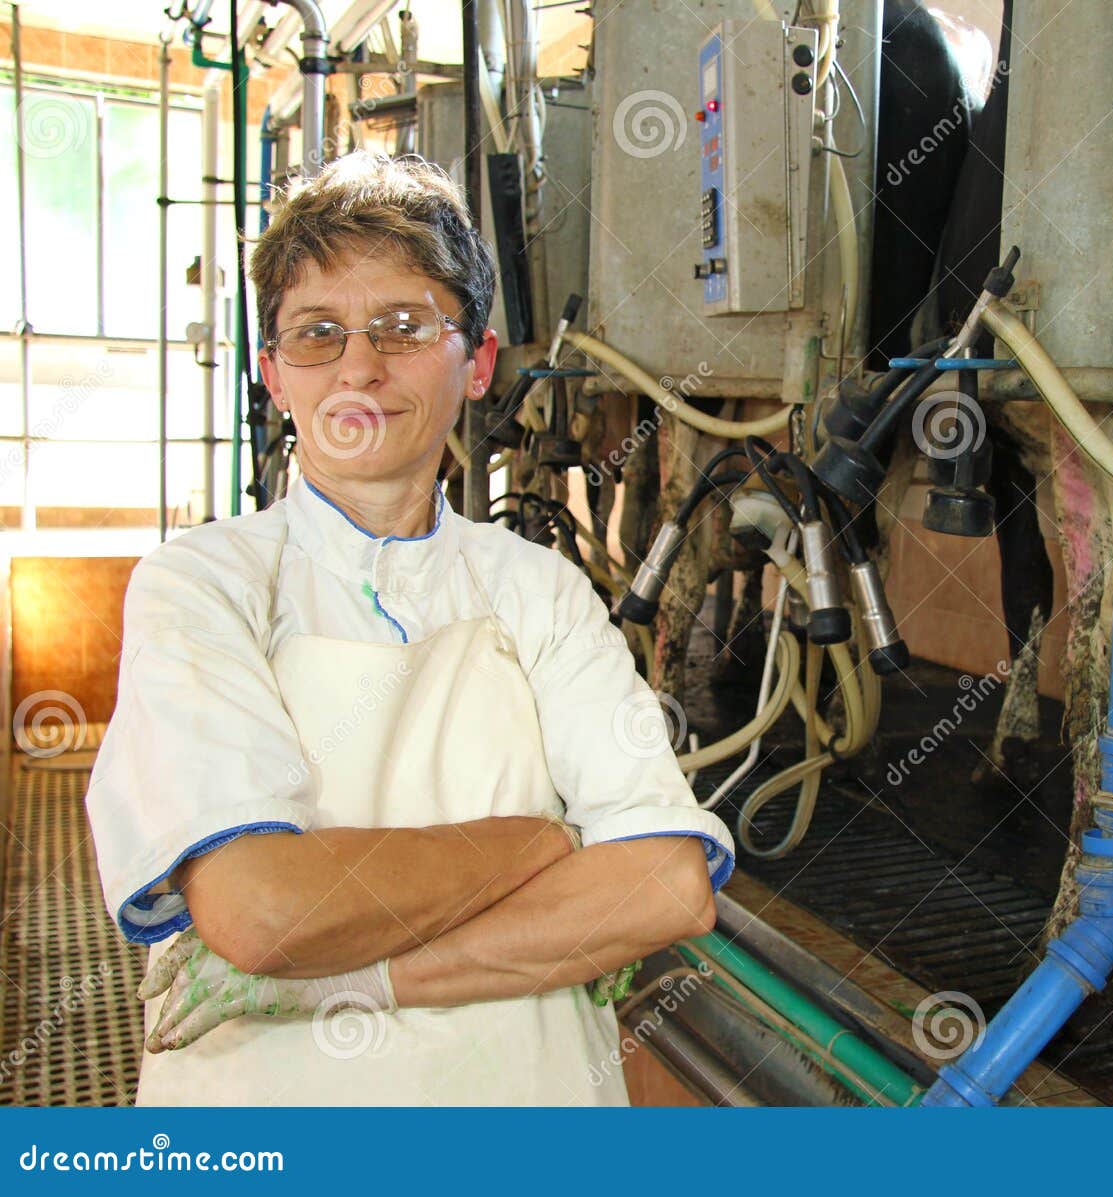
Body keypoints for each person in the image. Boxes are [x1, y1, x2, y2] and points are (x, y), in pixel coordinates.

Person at [84, 152, 734, 1106]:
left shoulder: (540, 589)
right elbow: (265, 909)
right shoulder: (201, 584)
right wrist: (543, 842)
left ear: (475, 362)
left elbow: (667, 888)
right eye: (317, 334)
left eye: (402, 325)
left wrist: (349, 978)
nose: (359, 365)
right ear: (273, 376)